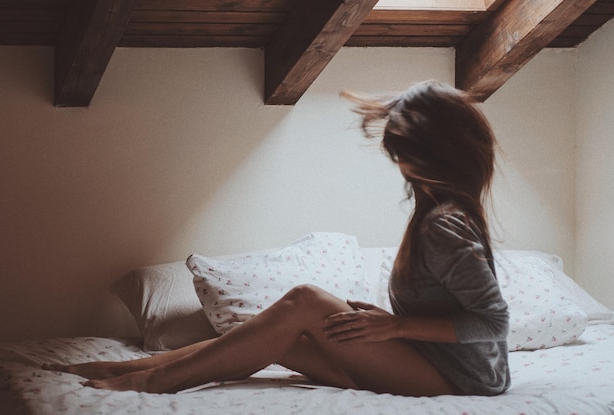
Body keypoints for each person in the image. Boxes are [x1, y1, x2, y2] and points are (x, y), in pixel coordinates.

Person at [44, 80, 510, 396]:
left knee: (307, 300)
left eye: (404, 156)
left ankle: (148, 384)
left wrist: (396, 327)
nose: (401, 168)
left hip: (463, 379)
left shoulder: (443, 223)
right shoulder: (437, 213)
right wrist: (391, 324)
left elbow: (494, 322)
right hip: (430, 360)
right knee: (276, 336)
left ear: (438, 153)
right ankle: (127, 370)